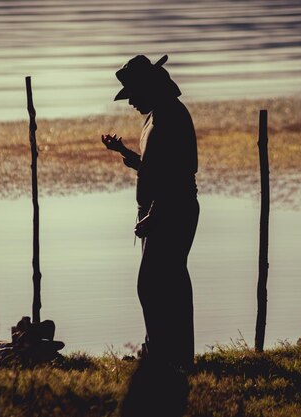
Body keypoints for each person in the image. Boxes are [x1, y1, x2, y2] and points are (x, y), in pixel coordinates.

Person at [101, 54, 199, 370]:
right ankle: (167, 352)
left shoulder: (170, 117)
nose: (131, 103)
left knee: (154, 284)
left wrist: (154, 215)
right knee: (167, 282)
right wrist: (125, 153)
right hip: (162, 210)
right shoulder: (156, 117)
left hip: (172, 210)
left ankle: (165, 354)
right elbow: (156, 168)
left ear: (150, 90)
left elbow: (175, 175)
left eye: (134, 96)